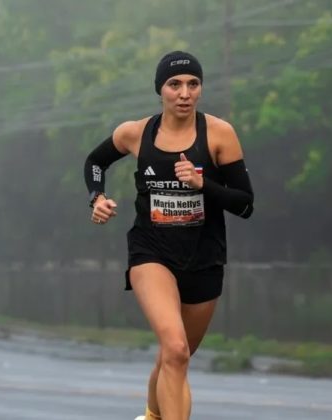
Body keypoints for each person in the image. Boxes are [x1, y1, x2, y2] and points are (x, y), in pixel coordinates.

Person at [83, 50, 254, 420]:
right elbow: (95, 162)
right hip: (151, 254)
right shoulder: (136, 133)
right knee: (175, 349)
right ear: (160, 90)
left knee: (173, 358)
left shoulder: (219, 134)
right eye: (174, 84)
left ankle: (151, 415)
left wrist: (202, 183)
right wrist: (96, 198)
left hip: (204, 260)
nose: (184, 93)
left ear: (200, 89)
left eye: (193, 84)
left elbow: (244, 204)